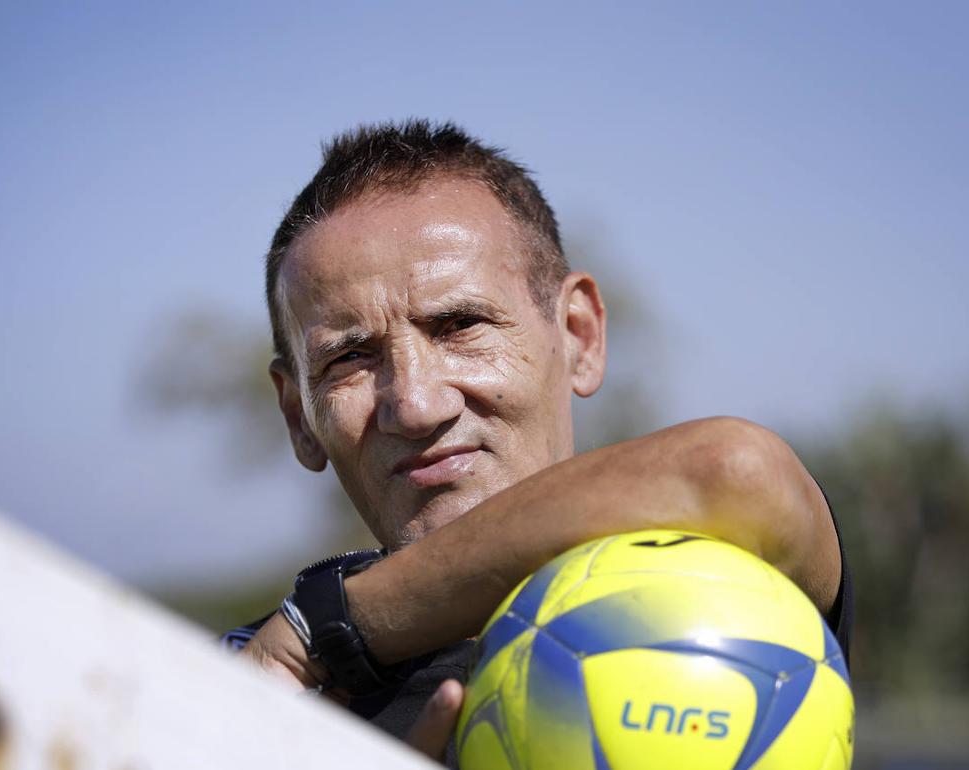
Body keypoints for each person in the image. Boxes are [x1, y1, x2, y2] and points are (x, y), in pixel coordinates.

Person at [221, 120, 852, 766]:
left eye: (460, 324)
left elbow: (736, 474)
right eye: (351, 357)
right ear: (299, 416)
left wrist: (333, 629)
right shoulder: (235, 700)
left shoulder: (710, 593)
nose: (414, 404)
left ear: (578, 336)